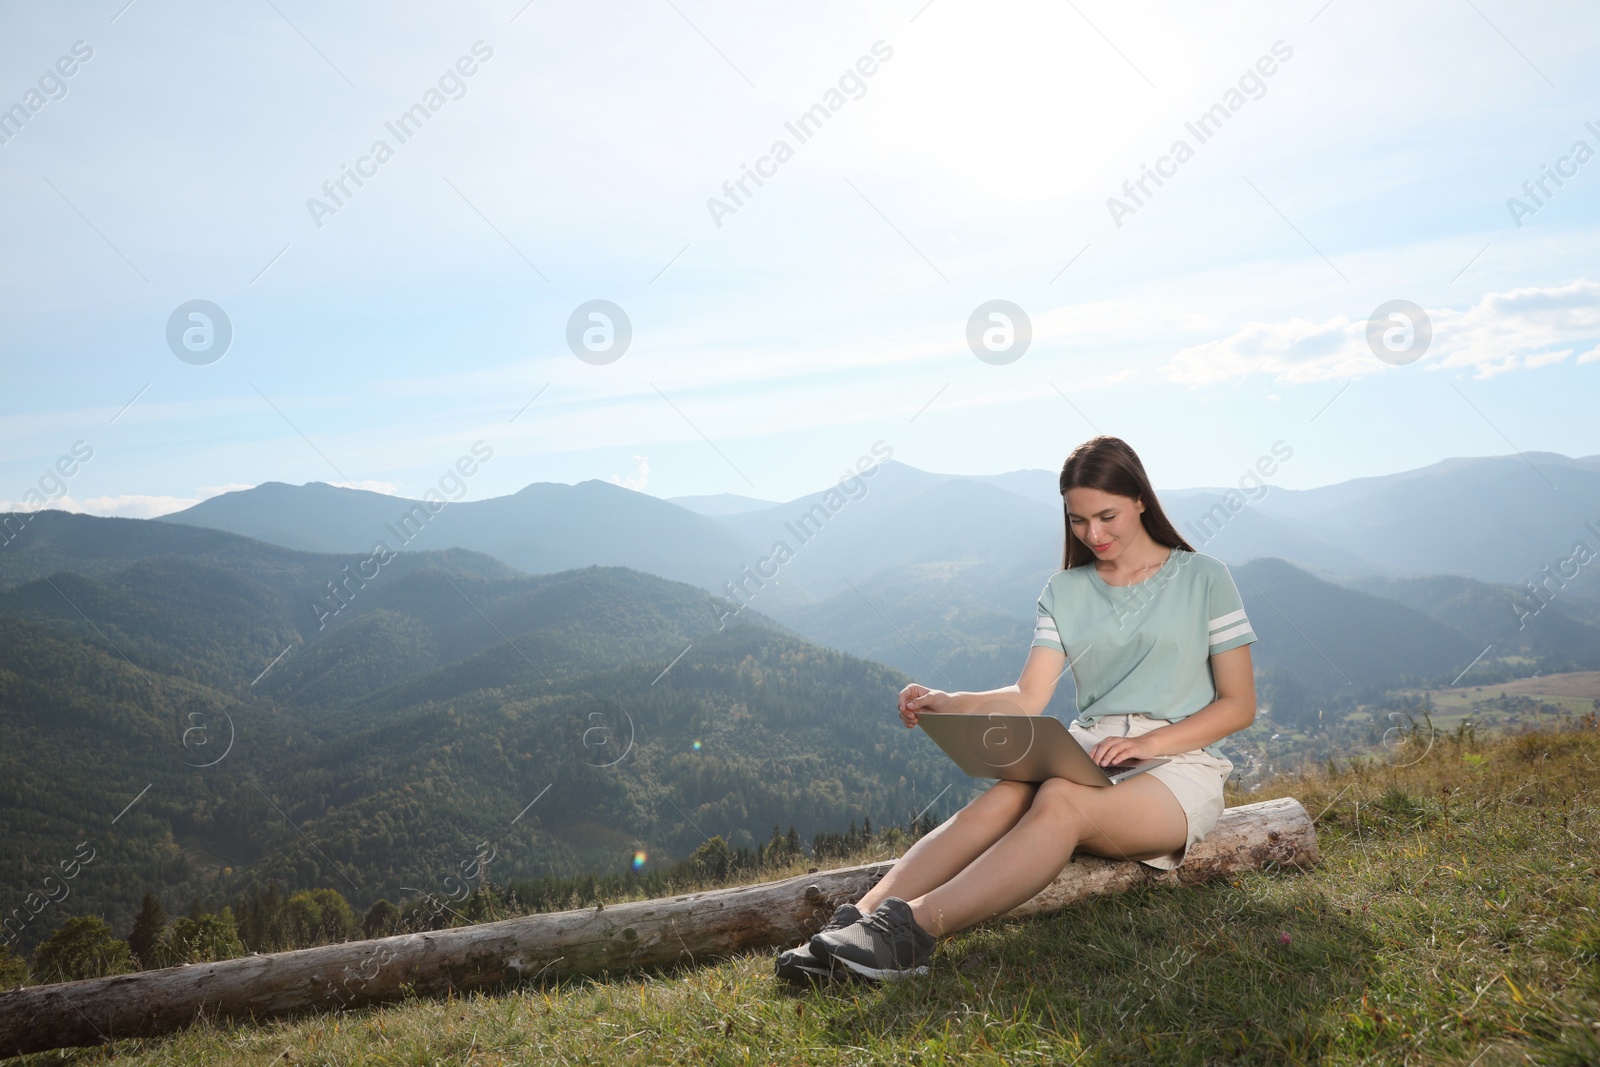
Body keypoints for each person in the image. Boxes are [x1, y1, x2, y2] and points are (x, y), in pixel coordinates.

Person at [775, 435, 1259, 982]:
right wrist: (951, 702)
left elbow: (1238, 705)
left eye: (1107, 516)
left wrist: (1148, 744)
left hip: (1179, 768)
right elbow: (1029, 696)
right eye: (1078, 521)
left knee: (1059, 797)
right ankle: (856, 924)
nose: (1093, 535)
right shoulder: (1065, 590)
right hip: (1088, 753)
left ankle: (909, 933)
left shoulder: (1204, 578)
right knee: (1007, 794)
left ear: (1141, 500)